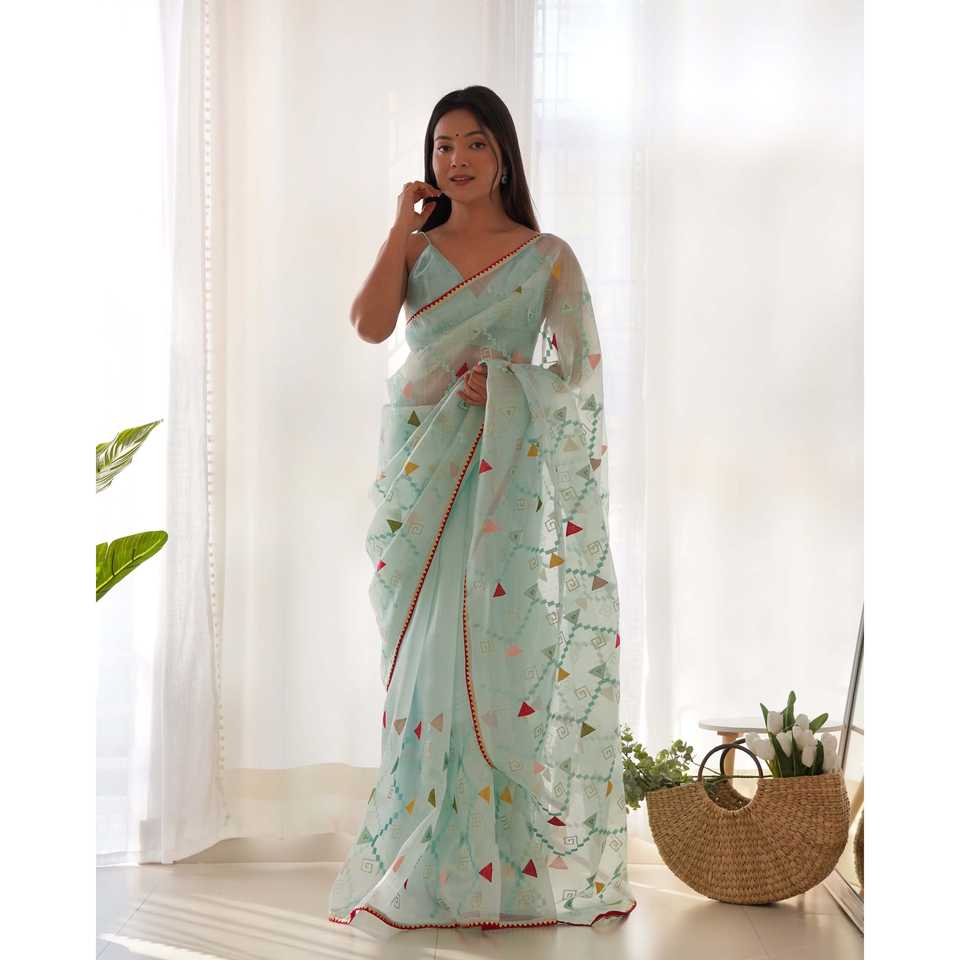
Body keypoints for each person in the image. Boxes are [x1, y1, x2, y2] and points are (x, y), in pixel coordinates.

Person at [328, 85, 636, 937]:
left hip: (501, 473)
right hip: (420, 472)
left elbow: (577, 372)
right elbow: (369, 326)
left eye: (472, 144)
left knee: (492, 651)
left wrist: (504, 382)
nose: (455, 160)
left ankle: (498, 871)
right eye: (442, 146)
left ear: (503, 155)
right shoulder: (418, 247)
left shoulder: (546, 258)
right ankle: (425, 863)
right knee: (422, 660)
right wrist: (399, 226)